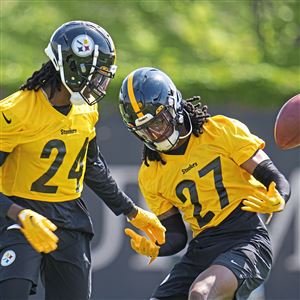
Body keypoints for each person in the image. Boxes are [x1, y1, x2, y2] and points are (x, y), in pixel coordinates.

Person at [0, 22, 165, 300]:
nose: (101, 84)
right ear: (72, 68)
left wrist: (132, 211)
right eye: (96, 75)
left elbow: (91, 164)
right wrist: (18, 213)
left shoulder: (86, 108)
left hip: (70, 216)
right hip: (23, 213)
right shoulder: (15, 112)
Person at [119, 67, 291, 300]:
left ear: (175, 105)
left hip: (245, 238)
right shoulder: (151, 172)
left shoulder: (220, 132)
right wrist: (158, 248)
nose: (155, 133)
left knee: (201, 293)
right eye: (144, 130)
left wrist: (280, 195)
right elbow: (177, 237)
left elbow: (275, 178)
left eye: (158, 121)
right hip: (201, 249)